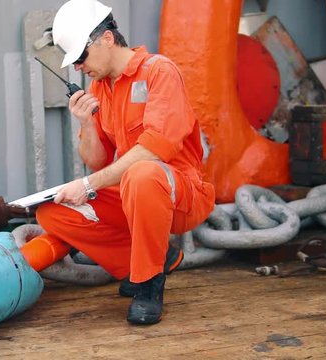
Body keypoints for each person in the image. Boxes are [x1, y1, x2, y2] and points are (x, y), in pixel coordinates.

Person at [34, 0, 215, 325]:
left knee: (141, 173)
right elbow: (97, 159)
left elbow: (153, 151)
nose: (77, 67)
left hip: (182, 195)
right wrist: (87, 123)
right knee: (53, 211)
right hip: (134, 194)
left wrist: (88, 186)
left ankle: (148, 284)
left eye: (80, 57)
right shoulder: (99, 88)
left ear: (105, 38)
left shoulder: (159, 72)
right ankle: (156, 259)